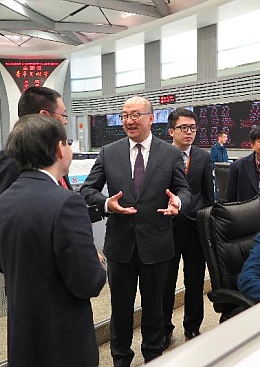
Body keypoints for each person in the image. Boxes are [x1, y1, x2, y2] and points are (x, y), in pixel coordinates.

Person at [80, 96, 191, 366]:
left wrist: (178, 202)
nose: (129, 120)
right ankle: (121, 358)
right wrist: (107, 203)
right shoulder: (109, 152)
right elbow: (88, 190)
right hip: (121, 246)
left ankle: (153, 355)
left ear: (151, 118)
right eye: (125, 115)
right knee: (121, 309)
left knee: (154, 307)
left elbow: (184, 190)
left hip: (157, 244)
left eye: (136, 115)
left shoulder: (170, 153)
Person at [0, 114, 106, 367]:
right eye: (68, 142)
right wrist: (98, 264)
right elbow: (89, 283)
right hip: (63, 343)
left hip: (23, 337)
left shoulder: (3, 201)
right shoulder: (66, 202)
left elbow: (4, 262)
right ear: (58, 149)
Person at [162, 108, 214, 343]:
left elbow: (207, 194)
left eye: (193, 128)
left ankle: (192, 326)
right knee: (166, 281)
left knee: (195, 280)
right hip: (168, 227)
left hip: (195, 229)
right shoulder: (160, 155)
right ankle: (164, 327)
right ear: (171, 130)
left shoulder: (203, 157)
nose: (189, 132)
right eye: (184, 128)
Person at [0, 86, 71, 214]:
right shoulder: (11, 156)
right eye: (63, 115)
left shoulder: (52, 151)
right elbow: (2, 216)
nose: (65, 122)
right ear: (44, 115)